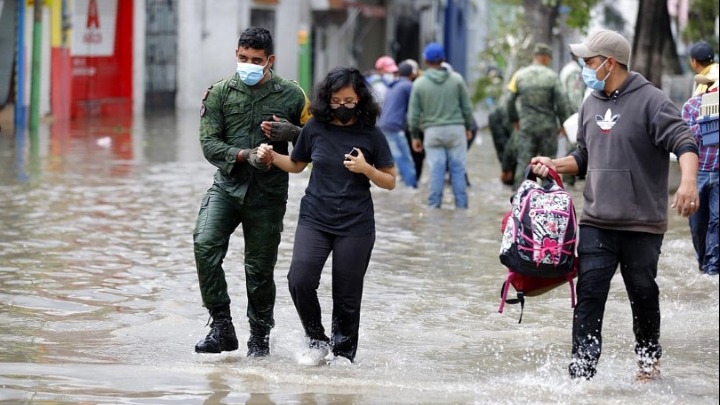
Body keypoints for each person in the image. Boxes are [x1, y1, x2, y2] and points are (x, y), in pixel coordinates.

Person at [529, 29, 699, 381]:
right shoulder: (590, 101)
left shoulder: (652, 101)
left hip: (641, 225)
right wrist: (555, 163)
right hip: (596, 221)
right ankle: (581, 375)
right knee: (589, 296)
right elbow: (585, 155)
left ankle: (648, 363)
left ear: (610, 63)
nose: (584, 68)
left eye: (589, 62)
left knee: (643, 295)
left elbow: (685, 142)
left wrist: (687, 183)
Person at [256, 66, 396, 365]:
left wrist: (367, 170)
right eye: (336, 101)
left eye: (349, 101)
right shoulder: (315, 129)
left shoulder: (371, 134)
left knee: (346, 295)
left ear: (360, 99)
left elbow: (390, 180)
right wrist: (270, 157)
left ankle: (344, 354)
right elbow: (296, 164)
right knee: (299, 279)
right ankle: (317, 339)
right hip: (315, 218)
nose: (342, 107)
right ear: (326, 99)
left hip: (355, 224)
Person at [192, 27, 310, 357]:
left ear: (270, 60)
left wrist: (294, 132)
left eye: (256, 60)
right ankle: (221, 326)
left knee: (258, 270)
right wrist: (244, 156)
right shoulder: (219, 93)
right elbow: (209, 144)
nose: (248, 65)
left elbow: (320, 139)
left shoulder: (292, 96)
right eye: (243, 58)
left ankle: (259, 338)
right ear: (236, 54)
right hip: (227, 186)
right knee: (204, 243)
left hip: (268, 195)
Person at [407, 42, 475, 209]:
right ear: (443, 59)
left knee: (436, 170)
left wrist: (415, 136)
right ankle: (462, 208)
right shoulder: (457, 80)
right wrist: (467, 127)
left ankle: (433, 208)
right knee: (458, 169)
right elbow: (467, 108)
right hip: (456, 130)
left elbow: (413, 115)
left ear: (425, 60)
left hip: (432, 132)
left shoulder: (419, 84)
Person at [506, 42, 575, 186]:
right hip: (548, 129)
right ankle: (548, 198)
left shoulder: (519, 75)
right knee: (548, 164)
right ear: (545, 58)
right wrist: (564, 124)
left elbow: (509, 101)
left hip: (526, 126)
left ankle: (520, 196)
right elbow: (561, 103)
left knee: (524, 162)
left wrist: (515, 120)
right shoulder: (552, 77)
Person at [681, 72, 719, 275]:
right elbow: (684, 137)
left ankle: (713, 269)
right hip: (699, 172)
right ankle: (703, 263)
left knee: (718, 220)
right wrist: (708, 121)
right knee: (698, 224)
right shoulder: (692, 106)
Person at [377, 61, 418, 188]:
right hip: (394, 127)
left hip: (383, 125)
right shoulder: (408, 86)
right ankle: (411, 187)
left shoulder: (394, 85)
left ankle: (402, 185)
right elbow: (415, 108)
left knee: (395, 159)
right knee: (404, 159)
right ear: (412, 74)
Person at [559, 53, 588, 186]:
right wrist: (580, 117)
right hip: (572, 116)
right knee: (575, 147)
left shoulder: (568, 68)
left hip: (567, 115)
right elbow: (575, 97)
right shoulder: (575, 72)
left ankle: (567, 181)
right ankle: (568, 181)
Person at [400, 58, 426, 182]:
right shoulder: (415, 84)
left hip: (407, 125)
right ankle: (413, 181)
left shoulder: (401, 84)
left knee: (411, 155)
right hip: (414, 125)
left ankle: (410, 181)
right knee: (417, 155)